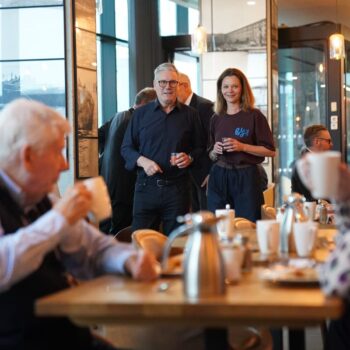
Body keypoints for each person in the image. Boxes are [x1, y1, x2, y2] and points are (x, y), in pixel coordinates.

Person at [0, 98, 159, 350]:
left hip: (66, 334)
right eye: (57, 152)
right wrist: (59, 219)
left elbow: (93, 247)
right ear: (27, 156)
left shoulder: (42, 200)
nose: (64, 165)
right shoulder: (50, 210)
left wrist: (128, 260)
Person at [121, 63, 204, 235]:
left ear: (178, 84)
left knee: (175, 246)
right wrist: (143, 161)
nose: (168, 86)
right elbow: (126, 148)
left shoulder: (191, 115)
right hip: (146, 188)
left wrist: (190, 157)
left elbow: (201, 148)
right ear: (155, 84)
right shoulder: (140, 114)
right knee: (142, 245)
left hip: (178, 191)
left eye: (173, 82)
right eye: (163, 82)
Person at [207, 68, 275, 222]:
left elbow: (270, 151)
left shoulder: (254, 115)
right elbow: (210, 153)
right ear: (220, 90)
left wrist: (242, 147)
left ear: (243, 89)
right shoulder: (216, 118)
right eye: (225, 86)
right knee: (218, 224)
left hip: (246, 176)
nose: (229, 91)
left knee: (248, 223)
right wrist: (215, 151)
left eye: (235, 86)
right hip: (219, 175)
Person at [99, 87, 157, 235]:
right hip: (127, 189)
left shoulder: (118, 116)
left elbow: (98, 137)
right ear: (146, 105)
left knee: (109, 231)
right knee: (123, 233)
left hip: (107, 185)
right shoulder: (137, 122)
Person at [176, 72, 214, 212]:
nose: (170, 89)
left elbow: (212, 141)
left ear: (184, 86)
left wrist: (212, 172)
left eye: (175, 84)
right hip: (185, 175)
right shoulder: (177, 109)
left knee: (205, 216)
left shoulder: (205, 107)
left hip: (204, 173)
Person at [291, 124, 333, 201]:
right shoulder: (304, 165)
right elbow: (314, 199)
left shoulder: (318, 161)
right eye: (328, 141)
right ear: (317, 142)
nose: (331, 144)